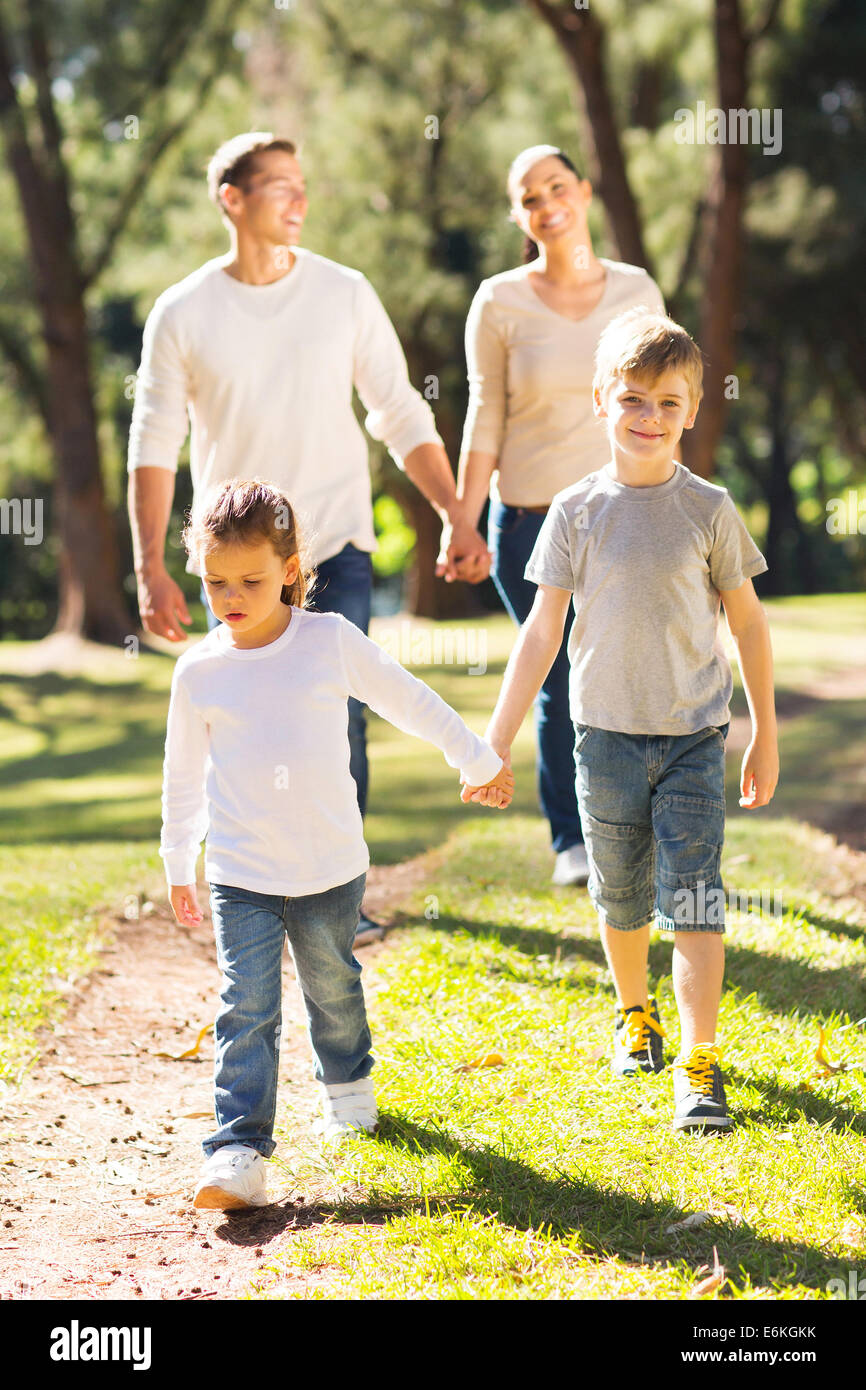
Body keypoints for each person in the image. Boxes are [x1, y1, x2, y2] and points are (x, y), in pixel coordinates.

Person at [128, 131, 489, 947]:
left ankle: (336, 898)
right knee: (248, 719)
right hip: (239, 561)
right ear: (233, 198)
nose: (299, 200)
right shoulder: (182, 312)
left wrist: (455, 513)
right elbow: (154, 442)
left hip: (332, 539)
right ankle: (256, 884)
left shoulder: (344, 291)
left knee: (341, 714)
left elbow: (397, 409)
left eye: (302, 183)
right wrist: (151, 562)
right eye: (279, 186)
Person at [464, 307, 779, 1131]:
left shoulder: (708, 509)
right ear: (601, 399)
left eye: (668, 403)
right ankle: (634, 1013)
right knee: (622, 896)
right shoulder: (573, 511)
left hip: (692, 739)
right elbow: (540, 634)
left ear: (693, 411)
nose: (649, 417)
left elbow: (747, 624)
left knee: (697, 897)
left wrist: (764, 734)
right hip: (600, 736)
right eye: (633, 398)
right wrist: (491, 744)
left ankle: (699, 1061)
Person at [161, 479, 513, 1210]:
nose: (231, 595)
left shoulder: (328, 641)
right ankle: (237, 1148)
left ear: (290, 570)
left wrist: (475, 758)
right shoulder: (198, 672)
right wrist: (177, 861)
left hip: (328, 870)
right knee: (244, 1006)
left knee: (333, 989)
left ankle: (347, 1084)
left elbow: (407, 697)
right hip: (241, 874)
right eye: (215, 581)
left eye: (251, 580)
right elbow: (183, 777)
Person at [453, 145, 666, 889]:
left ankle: (639, 822)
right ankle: (573, 839)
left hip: (626, 513)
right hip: (530, 518)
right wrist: (463, 518)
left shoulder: (637, 289)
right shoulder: (499, 300)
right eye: (528, 197)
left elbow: (660, 396)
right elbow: (485, 415)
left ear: (582, 191)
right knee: (556, 673)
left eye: (556, 188)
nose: (546, 205)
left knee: (633, 669)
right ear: (519, 214)